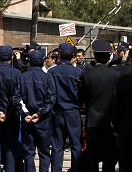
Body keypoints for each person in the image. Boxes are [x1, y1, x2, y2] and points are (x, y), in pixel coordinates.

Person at [81, 39, 118, 172]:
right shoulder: (116, 75)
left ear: (95, 56)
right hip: (110, 122)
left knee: (92, 156)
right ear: (109, 57)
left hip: (92, 121)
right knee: (109, 156)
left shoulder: (87, 75)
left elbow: (84, 99)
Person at [19, 50, 56, 172]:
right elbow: (51, 99)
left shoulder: (22, 77)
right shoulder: (47, 77)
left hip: (28, 120)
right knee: (44, 152)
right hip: (43, 120)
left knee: (29, 152)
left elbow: (17, 98)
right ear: (43, 62)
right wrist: (39, 113)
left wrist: (27, 114)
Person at [48, 43, 83, 172]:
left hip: (57, 112)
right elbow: (82, 93)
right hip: (73, 111)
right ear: (73, 57)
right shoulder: (78, 72)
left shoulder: (52, 71)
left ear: (60, 55)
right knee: (76, 145)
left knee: (57, 146)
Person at [0, 45, 22, 172]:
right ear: (12, 57)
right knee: (10, 146)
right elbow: (18, 96)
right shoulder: (17, 73)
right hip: (11, 114)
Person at [113, 45, 132, 172]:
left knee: (126, 164)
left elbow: (117, 108)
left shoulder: (124, 83)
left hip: (127, 130)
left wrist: (116, 128)